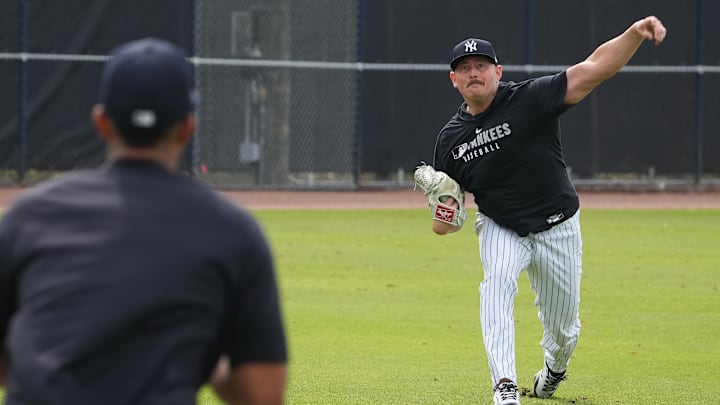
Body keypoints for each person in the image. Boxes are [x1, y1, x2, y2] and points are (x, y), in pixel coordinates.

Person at [0, 38, 287, 405]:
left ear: (101, 123)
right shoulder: (231, 231)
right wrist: (210, 364)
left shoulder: (29, 217)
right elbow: (263, 395)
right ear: (187, 127)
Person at [429, 16, 666, 405]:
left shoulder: (529, 99)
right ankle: (504, 386)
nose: (473, 73)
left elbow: (594, 68)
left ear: (498, 72)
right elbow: (444, 226)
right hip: (501, 226)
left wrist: (634, 34)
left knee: (563, 330)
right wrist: (446, 209)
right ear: (453, 80)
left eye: (481, 66)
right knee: (496, 287)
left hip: (558, 225)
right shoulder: (450, 141)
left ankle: (554, 370)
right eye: (464, 69)